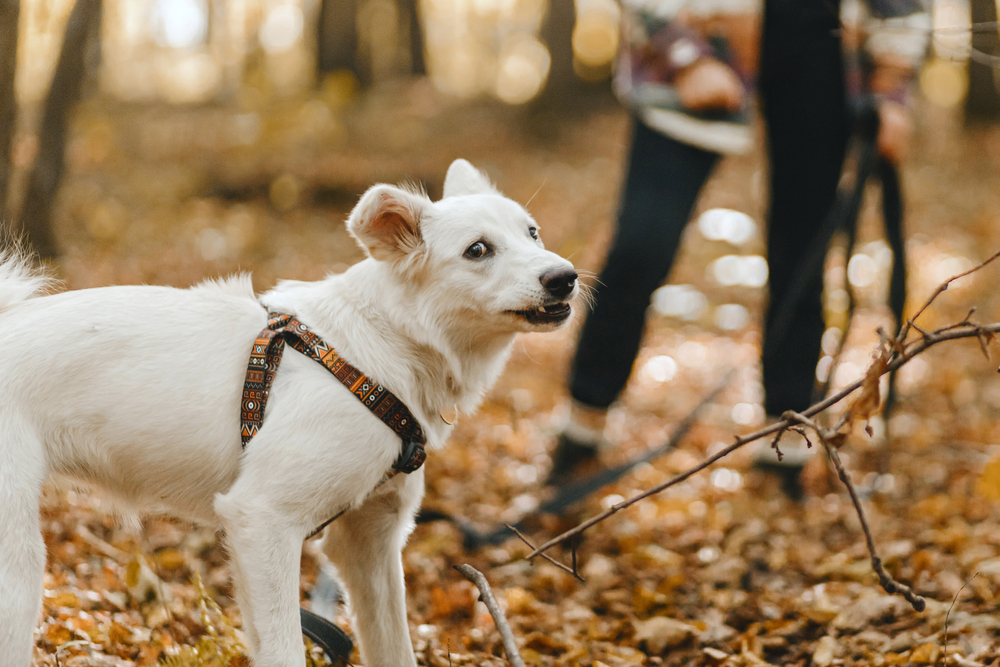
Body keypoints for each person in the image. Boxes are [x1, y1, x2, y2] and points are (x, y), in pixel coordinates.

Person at [549, 0, 930, 484]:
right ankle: (582, 423)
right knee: (641, 245)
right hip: (699, 37)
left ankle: (786, 440)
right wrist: (682, 53)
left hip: (825, 48)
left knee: (804, 257)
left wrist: (892, 90)